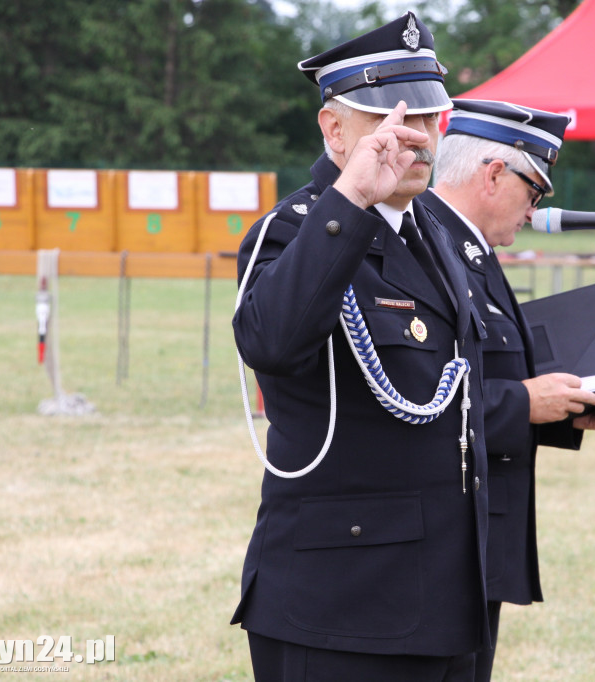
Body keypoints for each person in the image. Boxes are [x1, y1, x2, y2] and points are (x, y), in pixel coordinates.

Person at [230, 14, 494, 682]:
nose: (414, 139)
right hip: (343, 602)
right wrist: (352, 197)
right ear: (333, 130)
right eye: (388, 122)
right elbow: (271, 341)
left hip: (445, 594)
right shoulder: (291, 232)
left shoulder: (433, 231)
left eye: (430, 119)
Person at [420, 99, 595, 681]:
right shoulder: (424, 248)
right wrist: (525, 403)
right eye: (533, 191)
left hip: (477, 532)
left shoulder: (475, 251)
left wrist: (565, 415)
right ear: (493, 174)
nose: (535, 209)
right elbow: (423, 400)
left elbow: (492, 376)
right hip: (433, 542)